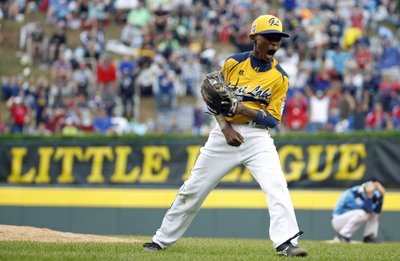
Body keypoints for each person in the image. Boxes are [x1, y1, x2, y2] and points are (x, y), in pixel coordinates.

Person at [143, 15, 308, 257]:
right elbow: (213, 97)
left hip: (257, 137)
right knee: (193, 189)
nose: (274, 44)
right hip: (223, 134)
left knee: (276, 186)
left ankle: (286, 242)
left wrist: (242, 109)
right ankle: (161, 240)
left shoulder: (280, 77)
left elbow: (273, 120)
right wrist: (225, 127)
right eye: (269, 38)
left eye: (278, 39)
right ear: (254, 38)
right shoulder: (233, 63)